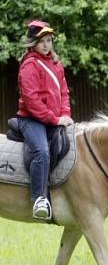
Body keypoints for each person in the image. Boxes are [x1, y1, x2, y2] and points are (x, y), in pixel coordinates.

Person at [16, 19, 73, 220]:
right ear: (33, 43)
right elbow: (31, 101)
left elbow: (64, 92)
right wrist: (54, 118)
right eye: (42, 41)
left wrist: (65, 114)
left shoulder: (57, 65)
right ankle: (39, 198)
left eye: (49, 40)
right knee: (42, 152)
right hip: (32, 120)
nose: (47, 45)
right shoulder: (29, 66)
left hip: (55, 118)